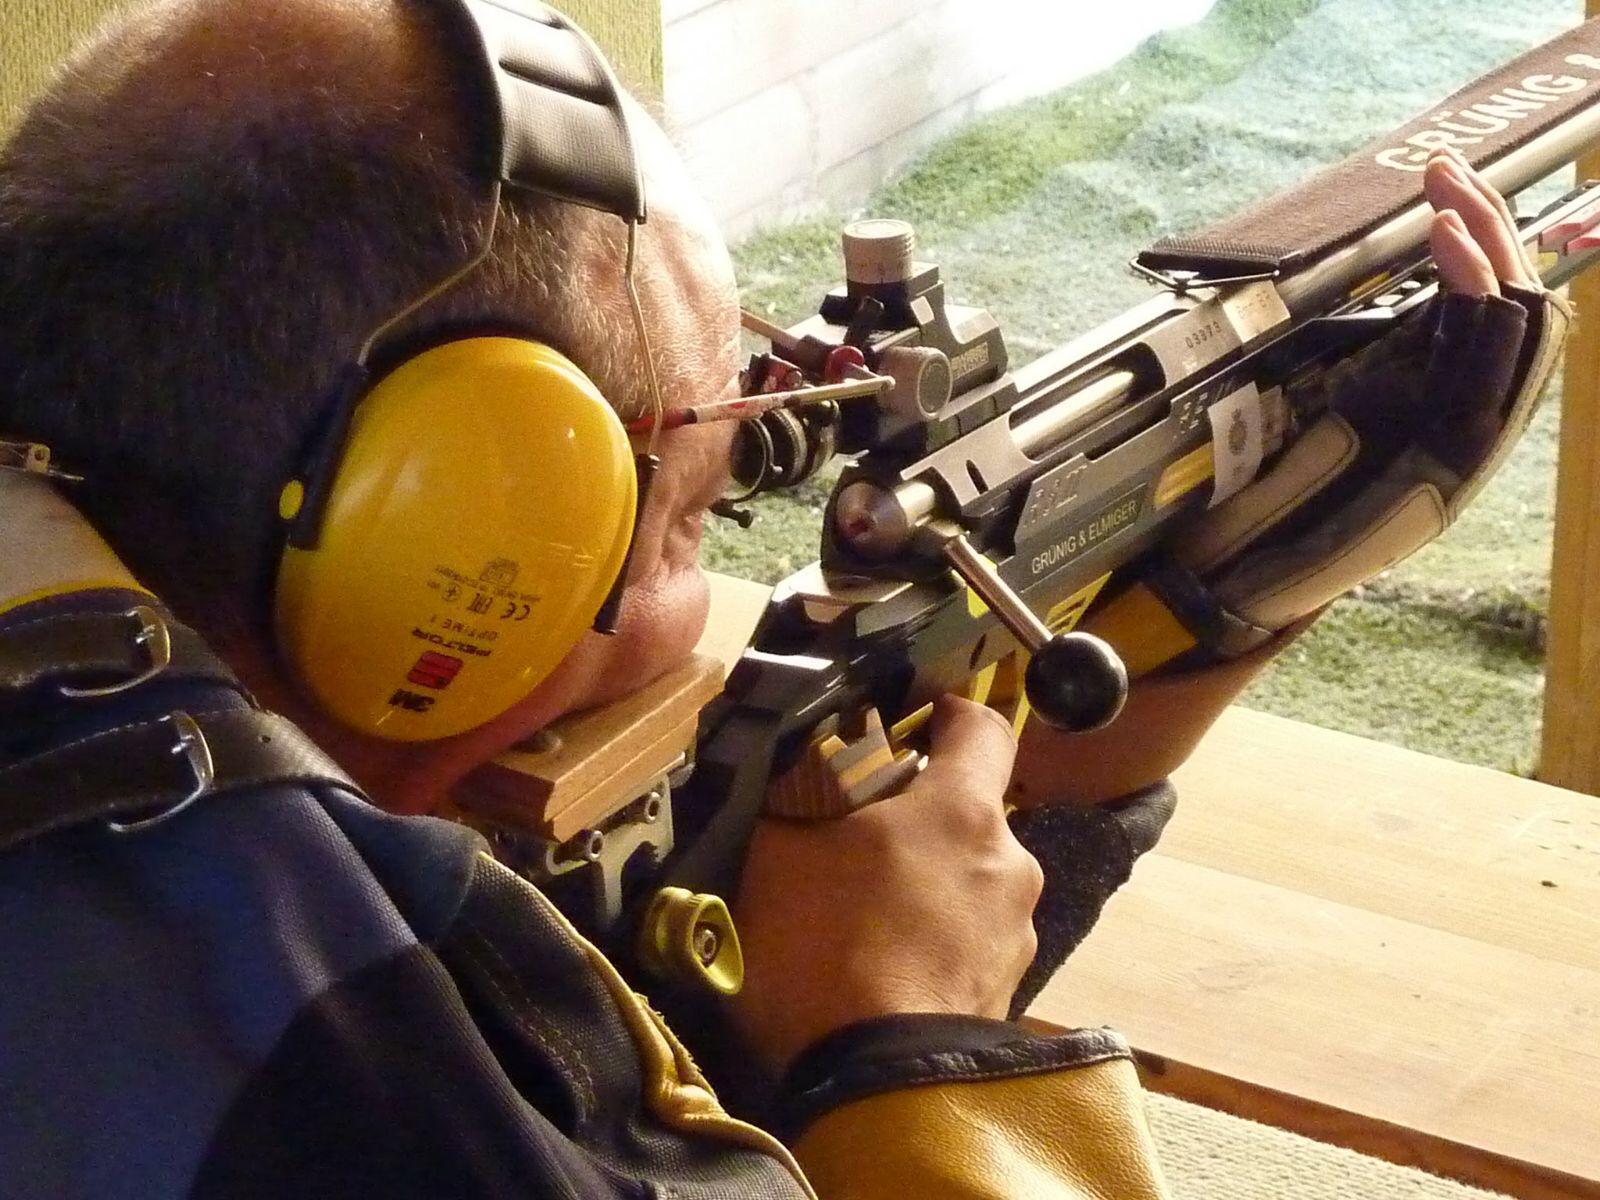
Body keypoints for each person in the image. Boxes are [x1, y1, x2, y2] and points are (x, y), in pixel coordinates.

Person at [0, 0, 1565, 1196]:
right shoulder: (376, 1077)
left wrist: (1192, 634)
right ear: (445, 563)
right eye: (685, 520)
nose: (704, 604)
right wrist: (922, 1066)